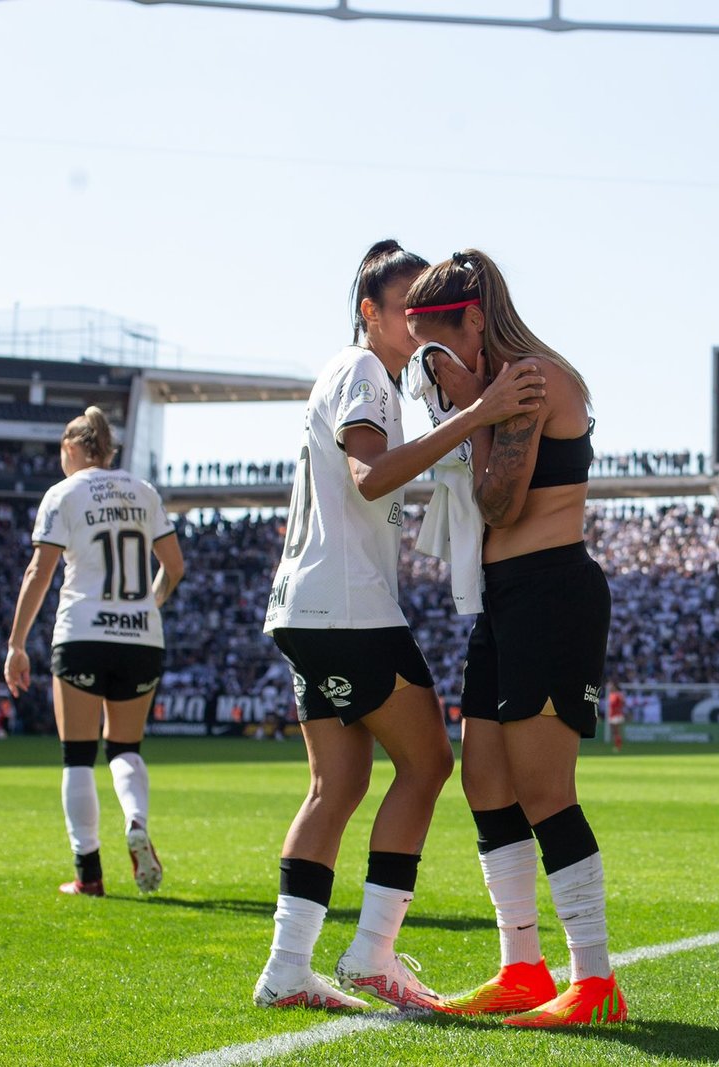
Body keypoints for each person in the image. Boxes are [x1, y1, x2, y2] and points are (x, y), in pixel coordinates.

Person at [252, 240, 545, 1013]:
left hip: (307, 608)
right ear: (371, 313)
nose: (419, 320)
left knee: (338, 782)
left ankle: (289, 968)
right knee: (427, 764)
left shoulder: (361, 377)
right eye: (405, 303)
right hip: (347, 608)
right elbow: (372, 474)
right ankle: (372, 953)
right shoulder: (363, 373)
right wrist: (480, 414)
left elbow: (374, 482)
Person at [405, 248, 626, 1027]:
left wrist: (476, 402)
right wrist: (470, 406)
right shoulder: (495, 383)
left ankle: (595, 981)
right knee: (486, 787)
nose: (431, 361)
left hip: (552, 590)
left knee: (542, 790)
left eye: (436, 340)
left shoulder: (529, 378)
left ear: (472, 319)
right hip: (504, 598)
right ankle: (523, 965)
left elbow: (499, 502)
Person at [4, 405, 186, 897]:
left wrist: (17, 643)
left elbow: (37, 574)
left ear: (72, 447)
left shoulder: (62, 494)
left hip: (83, 632)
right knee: (124, 748)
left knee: (78, 756)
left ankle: (89, 875)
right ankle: (136, 819)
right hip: (141, 637)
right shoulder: (143, 491)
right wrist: (150, 604)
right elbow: (174, 565)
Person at [606, 686, 626, 754]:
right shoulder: (610, 695)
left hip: (617, 715)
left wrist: (618, 708)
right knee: (614, 732)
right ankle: (617, 745)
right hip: (612, 715)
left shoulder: (617, 695)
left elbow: (623, 703)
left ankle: (618, 746)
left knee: (617, 731)